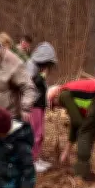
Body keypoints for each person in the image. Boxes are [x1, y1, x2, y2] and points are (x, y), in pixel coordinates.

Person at [27, 42, 58, 172]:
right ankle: (32, 161)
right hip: (33, 104)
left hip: (39, 104)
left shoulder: (38, 67)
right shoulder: (31, 66)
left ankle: (36, 158)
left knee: (40, 133)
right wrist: (40, 77)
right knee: (35, 133)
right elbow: (28, 84)